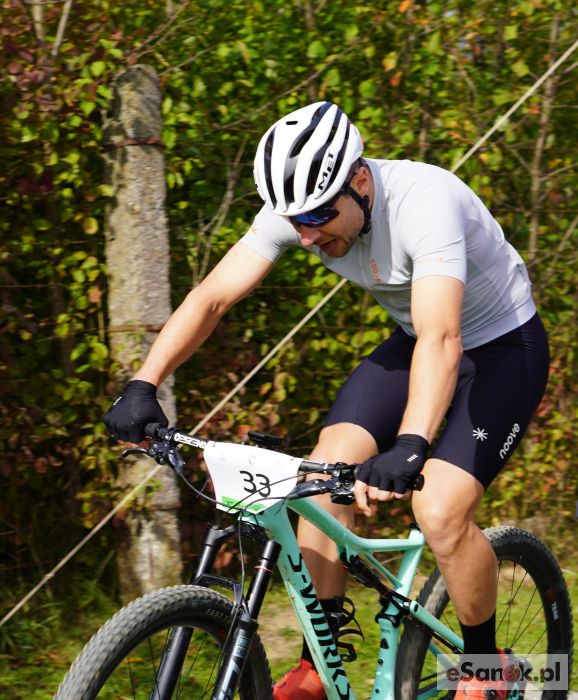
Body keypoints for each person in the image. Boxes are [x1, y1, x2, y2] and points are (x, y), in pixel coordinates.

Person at [103, 101, 549, 700]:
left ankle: (485, 668)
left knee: (439, 509)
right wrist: (143, 384)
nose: (308, 236)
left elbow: (444, 339)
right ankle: (321, 663)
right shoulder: (299, 207)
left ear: (360, 179)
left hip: (501, 350)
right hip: (417, 339)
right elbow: (212, 298)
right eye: (296, 222)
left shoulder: (426, 202)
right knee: (317, 476)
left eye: (318, 217)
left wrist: (411, 444)